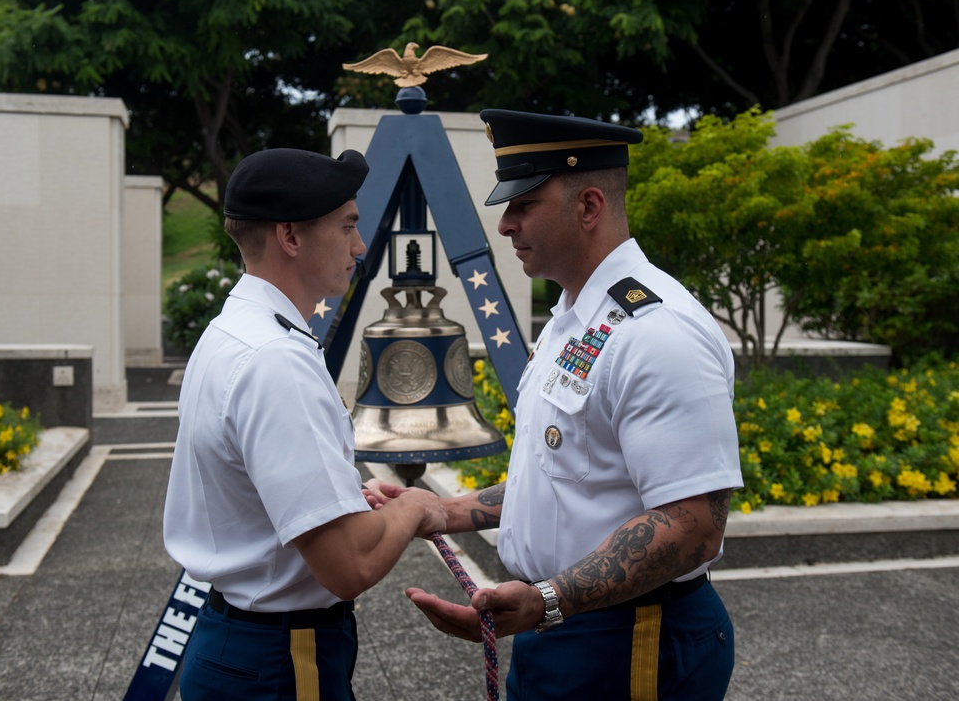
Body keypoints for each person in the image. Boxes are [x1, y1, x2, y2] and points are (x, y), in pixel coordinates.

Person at [405, 109, 745, 700]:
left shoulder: (656, 332)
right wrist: (445, 513)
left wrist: (547, 600)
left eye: (523, 204)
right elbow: (571, 478)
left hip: (632, 641)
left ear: (588, 206)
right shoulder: (575, 315)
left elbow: (693, 527)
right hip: (566, 627)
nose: (505, 224)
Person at [163, 147, 445, 700]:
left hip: (239, 643)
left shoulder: (237, 331)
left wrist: (343, 493)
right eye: (347, 227)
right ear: (290, 236)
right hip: (280, 661)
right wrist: (414, 506)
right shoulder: (275, 359)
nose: (360, 247)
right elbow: (349, 565)